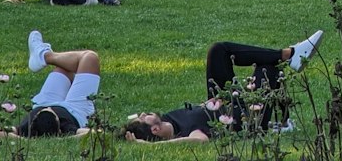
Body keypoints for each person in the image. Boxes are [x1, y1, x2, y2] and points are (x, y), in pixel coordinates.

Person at [123, 32, 324, 141]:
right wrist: (147, 148)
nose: (142, 113)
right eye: (143, 118)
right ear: (155, 130)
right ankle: (283, 121)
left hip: (223, 99)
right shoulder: (185, 134)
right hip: (246, 115)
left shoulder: (167, 118)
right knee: (267, 69)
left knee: (219, 50)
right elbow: (198, 141)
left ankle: (288, 55)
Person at [0, 33, 100, 139]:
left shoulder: (26, 129)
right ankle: (45, 56)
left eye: (42, 113)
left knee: (64, 68)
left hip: (44, 101)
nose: (48, 109)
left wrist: (24, 139)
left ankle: (43, 55)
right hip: (75, 110)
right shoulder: (67, 129)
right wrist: (62, 139)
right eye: (50, 112)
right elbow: (95, 134)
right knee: (90, 58)